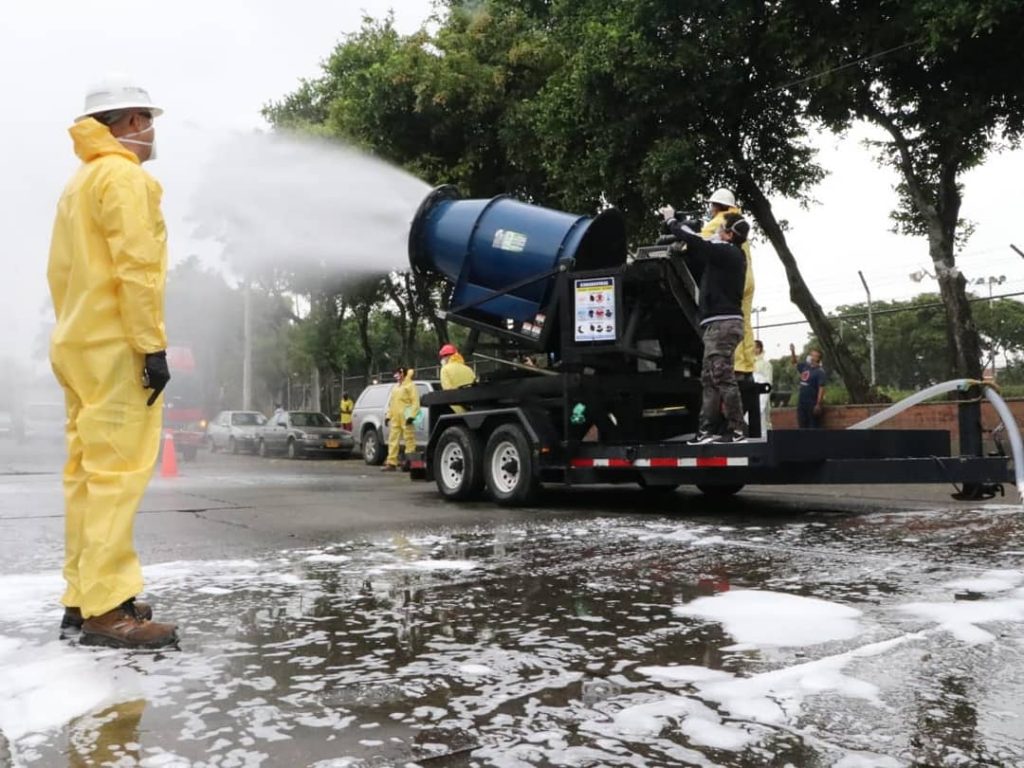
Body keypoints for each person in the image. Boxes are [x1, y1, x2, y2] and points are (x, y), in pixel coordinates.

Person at [47, 75, 177, 649]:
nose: (151, 133)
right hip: (117, 348)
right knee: (116, 478)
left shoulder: (79, 183)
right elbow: (137, 270)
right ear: (127, 123)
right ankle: (106, 611)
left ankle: (84, 595)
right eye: (147, 121)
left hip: (78, 345)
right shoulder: (125, 178)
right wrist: (150, 346)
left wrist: (78, 333)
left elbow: (61, 275)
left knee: (85, 477)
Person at [659, 205, 749, 444]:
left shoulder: (726, 252)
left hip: (721, 325)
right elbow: (699, 240)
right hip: (720, 325)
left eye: (721, 228)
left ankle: (737, 430)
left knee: (721, 378)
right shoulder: (729, 253)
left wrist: (671, 221)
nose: (717, 230)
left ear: (730, 234)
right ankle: (706, 431)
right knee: (710, 379)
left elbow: (695, 240)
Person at [701, 188, 756, 380]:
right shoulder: (739, 222)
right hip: (747, 277)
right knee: (745, 322)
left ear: (716, 206)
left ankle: (738, 365)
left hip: (733, 281)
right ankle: (747, 364)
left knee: (733, 319)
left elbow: (699, 243)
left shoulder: (719, 223)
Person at [383, 367, 420, 471]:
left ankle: (409, 461)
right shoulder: (396, 387)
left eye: (397, 373)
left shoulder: (410, 385)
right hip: (395, 417)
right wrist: (388, 416)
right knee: (393, 440)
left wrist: (412, 416)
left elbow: (415, 402)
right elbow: (392, 403)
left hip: (406, 415)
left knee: (409, 439)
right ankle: (391, 463)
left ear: (402, 373)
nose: (396, 376)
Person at [790, 343, 826, 428]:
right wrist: (793, 351)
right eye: (811, 355)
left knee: (813, 427)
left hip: (812, 404)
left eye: (815, 356)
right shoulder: (805, 367)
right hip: (802, 403)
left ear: (818, 358)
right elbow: (794, 362)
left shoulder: (820, 372)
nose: (812, 357)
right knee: (802, 426)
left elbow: (821, 388)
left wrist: (818, 404)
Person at [438, 343, 476, 414]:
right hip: (471, 407)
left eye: (443, 357)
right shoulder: (468, 369)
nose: (442, 359)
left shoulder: (445, 369)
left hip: (454, 408)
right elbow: (475, 387)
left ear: (448, 356)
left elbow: (448, 391)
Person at [753, 339, 773, 432]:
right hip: (750, 398)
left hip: (761, 399)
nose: (752, 349)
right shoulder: (747, 364)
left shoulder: (766, 364)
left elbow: (768, 384)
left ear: (759, 349)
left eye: (755, 347)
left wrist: (763, 401)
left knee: (764, 425)